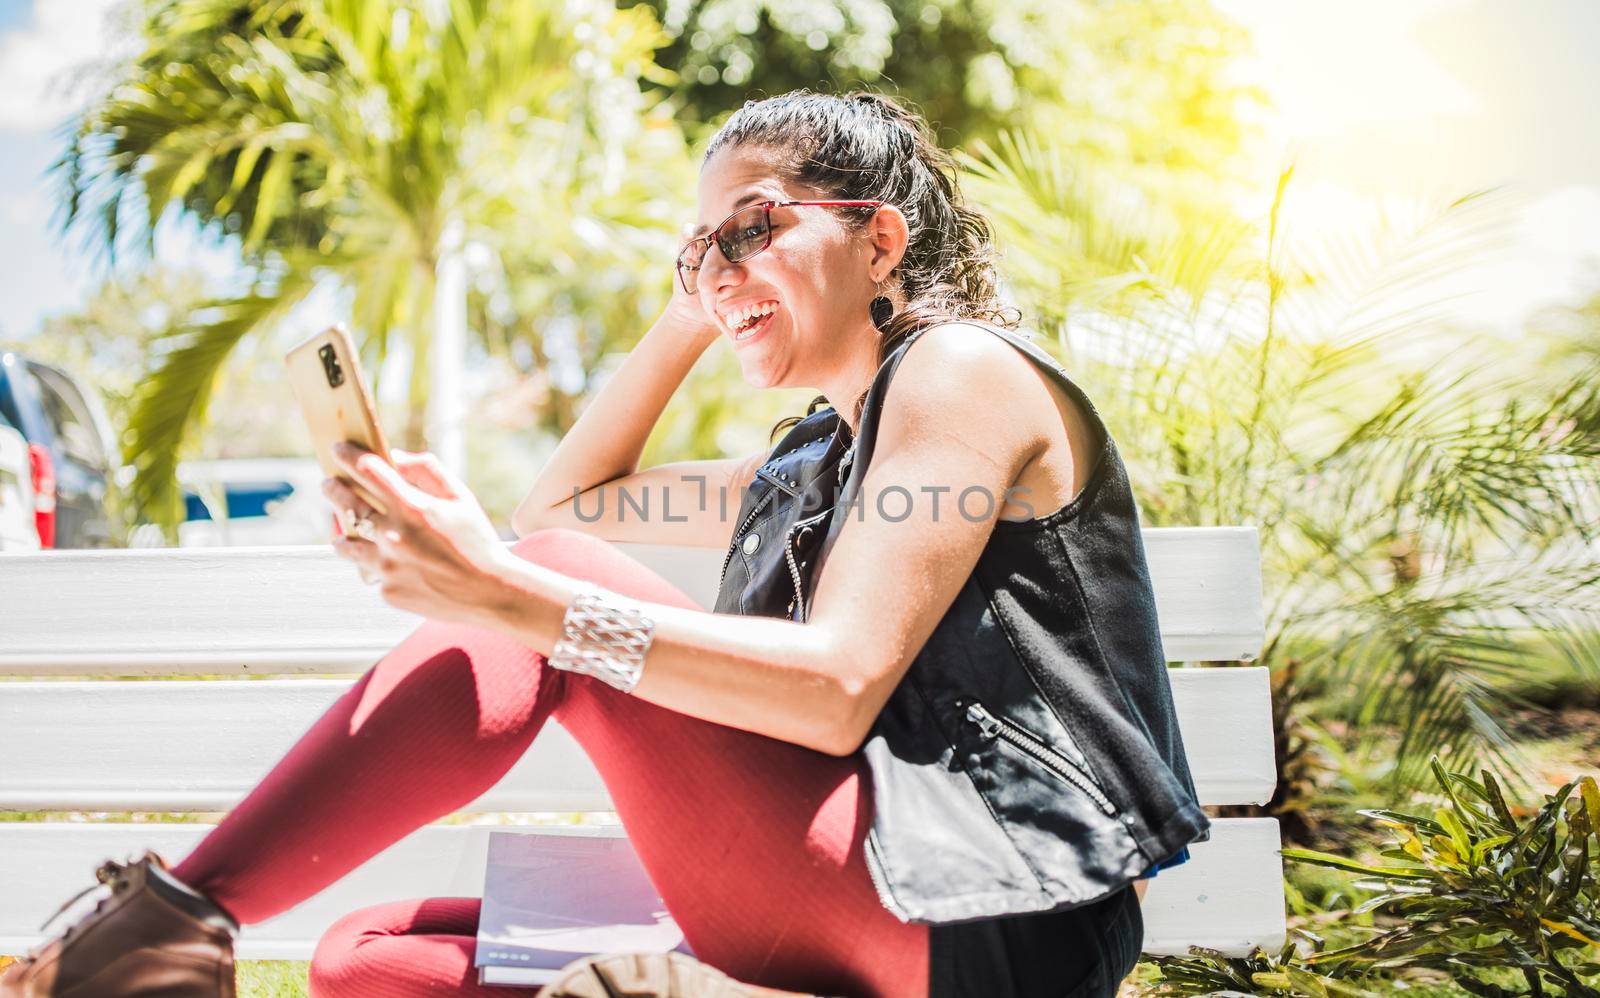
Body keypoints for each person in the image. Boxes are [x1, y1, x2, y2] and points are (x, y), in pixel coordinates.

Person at [2, 89, 1206, 998]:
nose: (720, 266)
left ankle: (148, 932)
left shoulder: (959, 374)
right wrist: (697, 303)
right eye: (698, 245)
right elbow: (561, 510)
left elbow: (839, 687)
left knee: (555, 593)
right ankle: (159, 937)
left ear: (879, 239)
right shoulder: (811, 463)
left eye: (755, 227)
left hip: (988, 906)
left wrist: (509, 598)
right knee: (368, 956)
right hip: (856, 879)